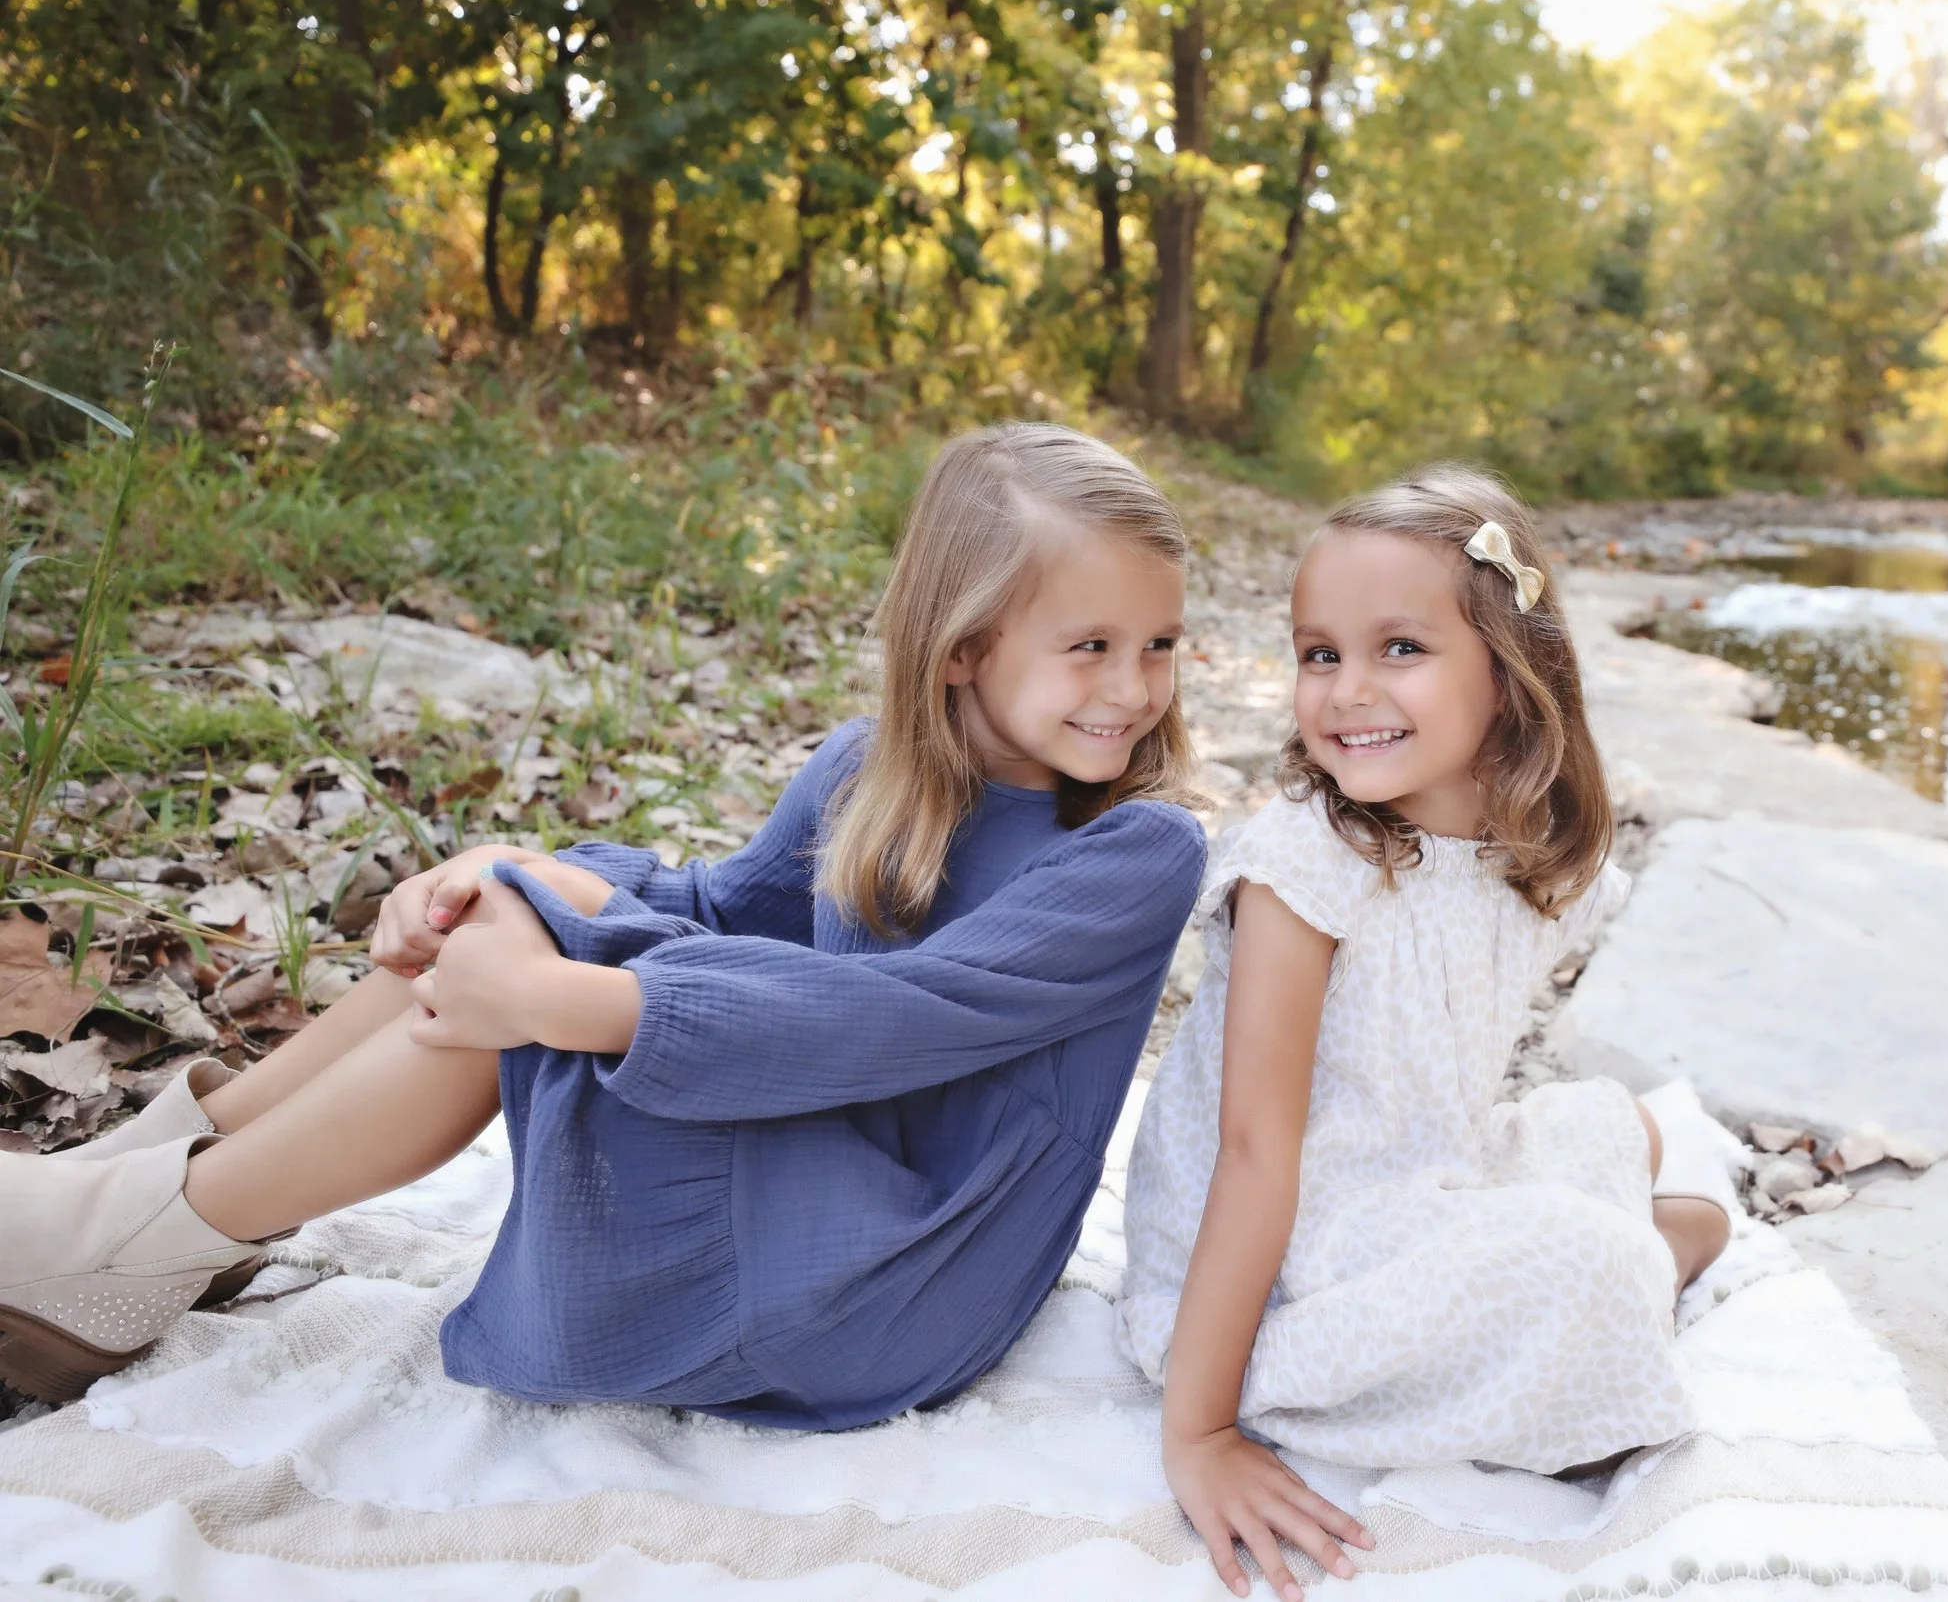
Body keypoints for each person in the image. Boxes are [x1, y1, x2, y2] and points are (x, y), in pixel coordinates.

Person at [0, 422, 1209, 1428]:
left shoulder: (1133, 849)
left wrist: (554, 994)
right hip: (814, 1164)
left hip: (899, 1268)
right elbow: (716, 909)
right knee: (521, 911)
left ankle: (133, 1242)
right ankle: (142, 1191)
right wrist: (505, 865)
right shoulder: (867, 776)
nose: (1133, 687)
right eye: (1090, 646)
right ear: (960, 648)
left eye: (1156, 646)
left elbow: (895, 1013)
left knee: (546, 970)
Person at [1115, 466, 1740, 1601]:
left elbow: (1426, 1082)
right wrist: (1198, 1430)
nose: (1349, 689)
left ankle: (1622, 1252)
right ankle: (1628, 1266)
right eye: (1320, 652)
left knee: (1617, 1126)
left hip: (1410, 1173)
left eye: (1399, 648)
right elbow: (1257, 1150)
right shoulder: (1304, 864)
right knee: (1587, 1256)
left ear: (1509, 670)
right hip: (1289, 1265)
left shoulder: (1518, 851)